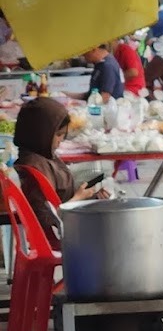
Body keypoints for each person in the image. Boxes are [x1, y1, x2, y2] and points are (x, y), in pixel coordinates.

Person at [15, 97, 107, 244]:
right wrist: (78, 199)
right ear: (40, 133)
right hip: (58, 238)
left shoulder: (43, 156)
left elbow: (58, 197)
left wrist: (91, 197)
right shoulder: (33, 167)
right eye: (58, 135)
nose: (61, 140)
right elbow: (44, 217)